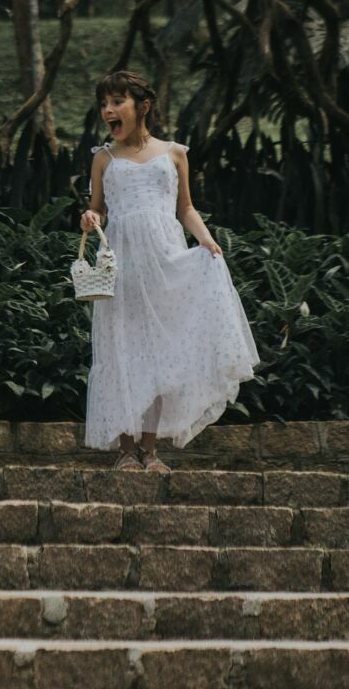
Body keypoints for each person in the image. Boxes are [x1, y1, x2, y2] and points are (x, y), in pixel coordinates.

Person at [80, 68, 259, 471]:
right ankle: (125, 449)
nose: (109, 110)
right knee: (122, 350)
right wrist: (89, 219)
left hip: (165, 260)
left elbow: (186, 209)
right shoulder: (104, 159)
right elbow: (97, 209)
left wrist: (207, 240)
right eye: (104, 104)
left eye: (117, 102)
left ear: (141, 107)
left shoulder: (174, 153)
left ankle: (150, 449)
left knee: (162, 351)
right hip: (123, 266)